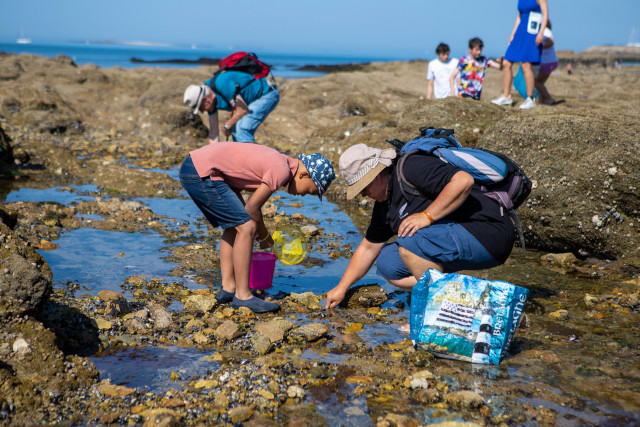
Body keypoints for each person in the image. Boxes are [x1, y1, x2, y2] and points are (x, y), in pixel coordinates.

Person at [325, 144, 515, 309]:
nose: (364, 196)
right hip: (458, 238)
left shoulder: (411, 167)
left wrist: (427, 216)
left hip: (489, 232)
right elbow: (368, 248)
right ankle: (460, 298)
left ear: (375, 176)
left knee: (409, 241)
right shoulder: (385, 205)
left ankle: (435, 310)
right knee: (388, 263)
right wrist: (342, 288)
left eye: (363, 189)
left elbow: (463, 181)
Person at [180, 142, 335, 312]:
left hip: (197, 167)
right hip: (201, 172)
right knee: (246, 227)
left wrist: (262, 234)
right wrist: (264, 236)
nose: (304, 195)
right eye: (311, 191)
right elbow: (252, 208)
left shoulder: (280, 163)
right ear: (305, 174)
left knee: (235, 226)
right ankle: (243, 296)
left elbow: (243, 199)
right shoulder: (281, 170)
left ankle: (228, 287)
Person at [183, 70, 279, 144]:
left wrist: (227, 125)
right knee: (237, 132)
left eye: (200, 108)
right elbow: (213, 134)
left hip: (266, 94)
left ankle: (249, 166)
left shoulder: (221, 84)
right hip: (252, 101)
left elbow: (243, 110)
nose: (202, 111)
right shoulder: (210, 103)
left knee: (242, 129)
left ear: (205, 99)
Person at [492, 0, 549, 110]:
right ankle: (506, 96)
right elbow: (519, 17)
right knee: (506, 62)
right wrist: (513, 34)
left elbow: (545, 14)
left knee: (526, 65)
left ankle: (530, 98)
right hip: (520, 31)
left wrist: (541, 33)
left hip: (532, 32)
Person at [535, 20, 558, 105]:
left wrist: (540, 48)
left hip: (548, 62)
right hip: (550, 61)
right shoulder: (544, 31)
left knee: (536, 81)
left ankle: (549, 99)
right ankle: (542, 101)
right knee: (540, 83)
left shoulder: (545, 31)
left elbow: (551, 42)